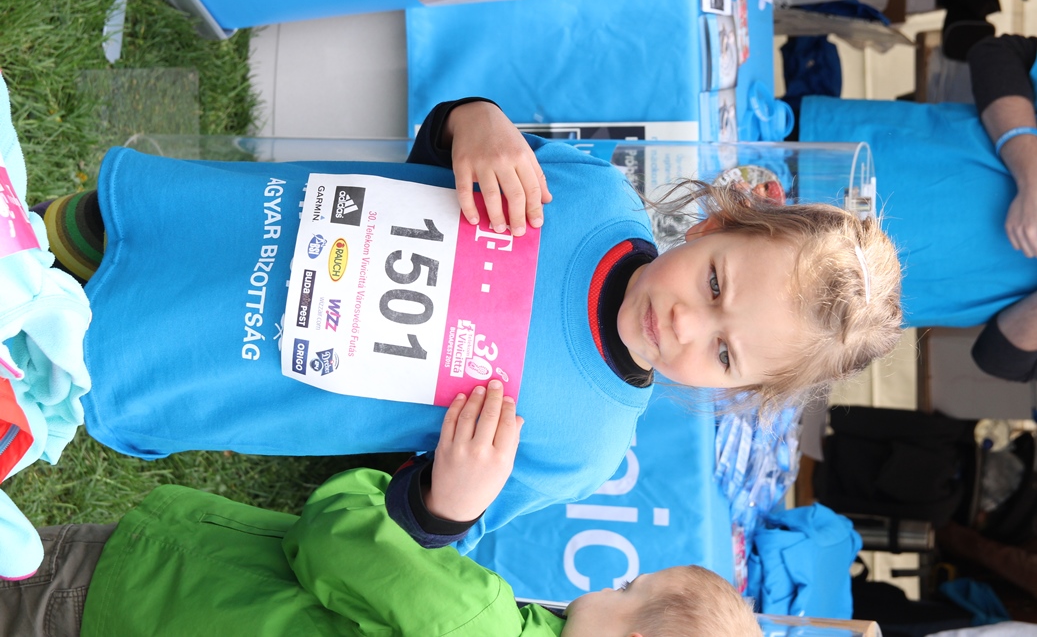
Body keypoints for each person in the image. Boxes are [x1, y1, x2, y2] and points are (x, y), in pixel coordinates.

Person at [49, 98, 900, 554]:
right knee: (65, 232)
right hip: (216, 223)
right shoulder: (595, 193)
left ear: (735, 389)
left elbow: (412, 533)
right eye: (713, 283)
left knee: (55, 360)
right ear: (713, 225)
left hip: (212, 363)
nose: (684, 322)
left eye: (721, 350)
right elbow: (436, 152)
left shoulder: (584, 445)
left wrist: (448, 503)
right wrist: (478, 122)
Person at [1, 389, 762, 637]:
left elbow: (334, 536)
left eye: (628, 588)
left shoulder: (478, 619)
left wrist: (433, 511)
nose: (612, 581)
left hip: (143, 593)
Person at [796, 34, 1037, 380]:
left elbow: (998, 359)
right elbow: (998, 54)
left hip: (826, 296)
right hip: (825, 155)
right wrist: (1031, 178)